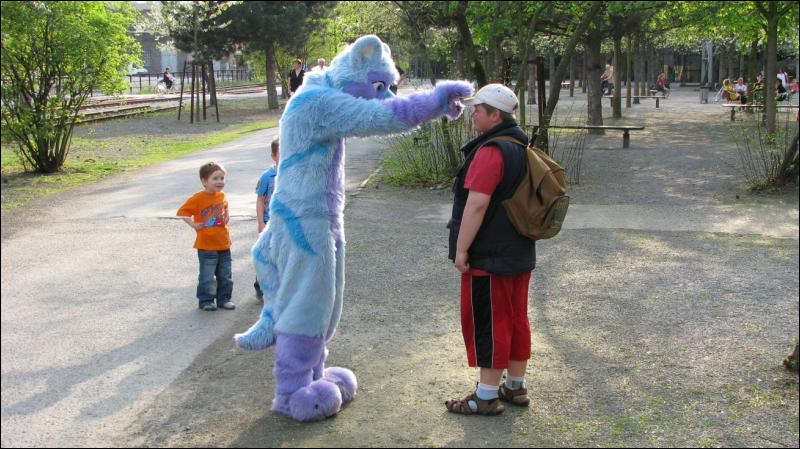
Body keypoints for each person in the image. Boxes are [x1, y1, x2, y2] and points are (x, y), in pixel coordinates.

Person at [444, 84, 536, 416]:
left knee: (490, 322)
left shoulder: (491, 151)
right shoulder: (522, 145)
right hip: (519, 250)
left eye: (478, 110)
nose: (472, 115)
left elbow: (477, 205)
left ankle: (485, 396)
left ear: (495, 115)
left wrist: (462, 250)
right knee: (515, 318)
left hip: (490, 255)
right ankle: (515, 386)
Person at [176, 162, 235, 311]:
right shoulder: (198, 198)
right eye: (215, 179)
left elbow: (225, 206)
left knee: (225, 275)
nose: (220, 182)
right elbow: (183, 212)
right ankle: (206, 300)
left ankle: (224, 299)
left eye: (222, 178)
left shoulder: (222, 195)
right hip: (206, 245)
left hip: (223, 243)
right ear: (204, 181)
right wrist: (194, 225)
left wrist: (227, 215)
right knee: (207, 276)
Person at [253, 136, 280, 301]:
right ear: (273, 156)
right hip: (269, 221)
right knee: (265, 254)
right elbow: (260, 200)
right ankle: (261, 286)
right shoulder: (267, 177)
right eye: (280, 153)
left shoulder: (293, 173)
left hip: (285, 223)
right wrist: (261, 222)